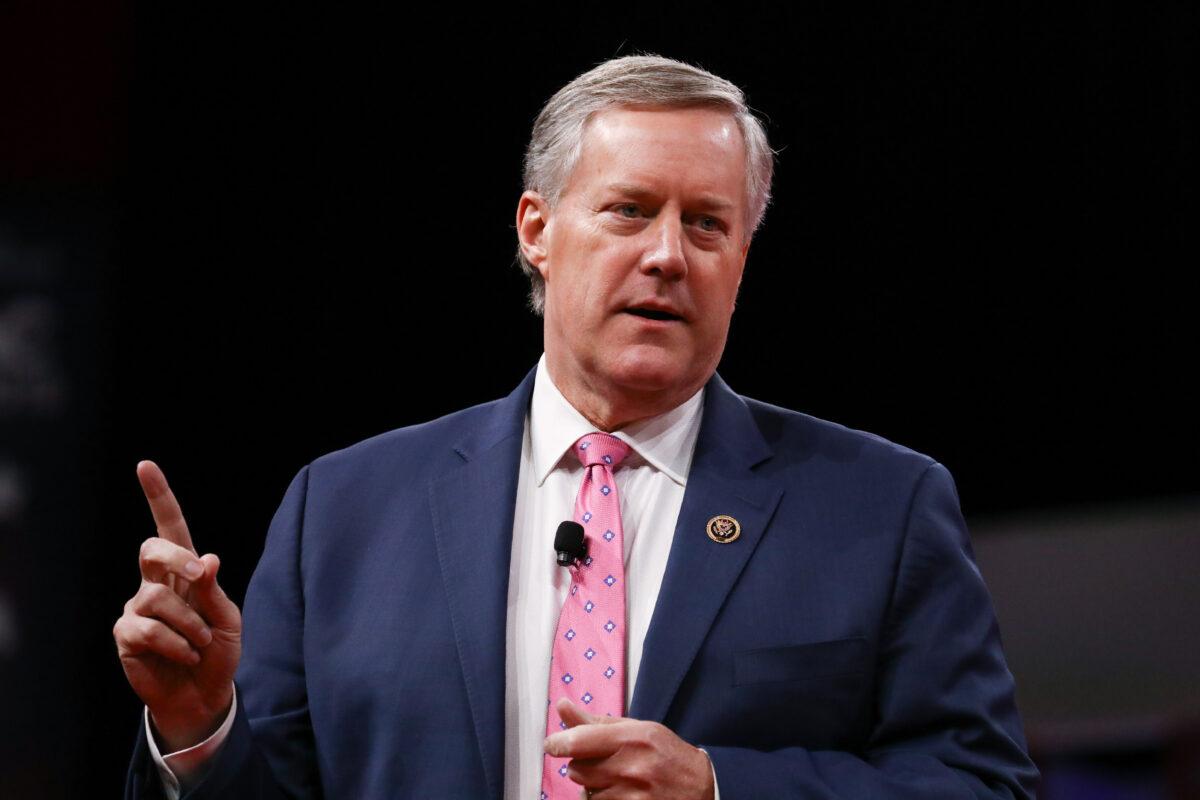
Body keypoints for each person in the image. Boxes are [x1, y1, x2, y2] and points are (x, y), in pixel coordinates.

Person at [115, 55, 1039, 799]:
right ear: (537, 229)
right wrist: (201, 731)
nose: (668, 255)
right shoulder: (346, 510)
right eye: (630, 210)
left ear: (743, 261)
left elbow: (980, 782)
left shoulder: (882, 505)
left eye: (708, 224)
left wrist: (722, 788)